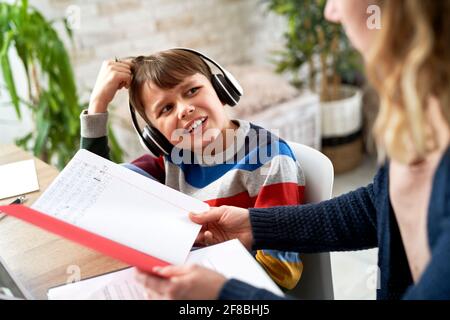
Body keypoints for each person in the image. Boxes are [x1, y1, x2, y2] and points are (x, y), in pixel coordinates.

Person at [136, 0, 450, 300]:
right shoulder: (428, 113)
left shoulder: (267, 155)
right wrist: (257, 225)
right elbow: (379, 207)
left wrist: (224, 294)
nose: (331, 11)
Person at [80, 49, 306, 290]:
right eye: (166, 108)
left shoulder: (269, 160)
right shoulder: (170, 162)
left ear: (221, 90)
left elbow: (281, 272)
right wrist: (97, 105)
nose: (184, 109)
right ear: (156, 135)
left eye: (192, 91)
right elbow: (95, 195)